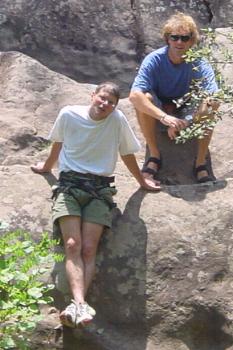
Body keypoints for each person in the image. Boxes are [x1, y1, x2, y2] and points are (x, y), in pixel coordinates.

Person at [31, 82, 160, 328]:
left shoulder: (117, 120)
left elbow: (126, 153)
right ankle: (80, 304)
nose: (105, 105)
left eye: (111, 102)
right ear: (93, 96)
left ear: (115, 106)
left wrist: (141, 180)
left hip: (99, 189)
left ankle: (76, 306)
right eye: (102, 98)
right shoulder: (69, 114)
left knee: (89, 248)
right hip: (70, 185)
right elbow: (58, 142)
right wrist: (47, 168)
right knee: (72, 244)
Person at [129, 12, 220, 183]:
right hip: (160, 108)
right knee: (144, 98)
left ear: (192, 40)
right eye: (175, 37)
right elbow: (134, 95)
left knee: (211, 105)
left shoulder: (199, 62)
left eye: (184, 38)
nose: (179, 42)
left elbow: (213, 97)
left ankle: (200, 162)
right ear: (167, 38)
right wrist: (165, 118)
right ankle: (154, 155)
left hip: (188, 107)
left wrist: (186, 120)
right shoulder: (154, 59)